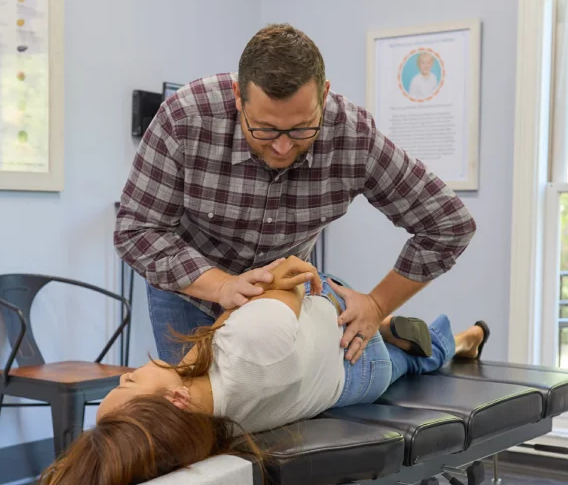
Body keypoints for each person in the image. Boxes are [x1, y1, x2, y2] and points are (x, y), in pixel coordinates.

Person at [36, 256, 490, 485]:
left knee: (412, 363)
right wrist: (243, 291)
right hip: (352, 352)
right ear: (173, 403)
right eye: (129, 385)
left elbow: (113, 460)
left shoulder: (203, 434)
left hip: (335, 385)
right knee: (353, 310)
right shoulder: (250, 343)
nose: (125, 375)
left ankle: (449, 338)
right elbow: (296, 273)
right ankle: (416, 331)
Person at [114, 24, 476, 370]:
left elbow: (449, 224)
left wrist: (377, 305)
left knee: (308, 399)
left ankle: (428, 338)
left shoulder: (352, 136)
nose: (284, 146)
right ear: (239, 98)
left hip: (284, 300)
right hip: (192, 292)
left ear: (324, 94)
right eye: (266, 129)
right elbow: (136, 230)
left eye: (302, 129)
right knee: (195, 414)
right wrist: (222, 285)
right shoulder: (186, 118)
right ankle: (445, 340)